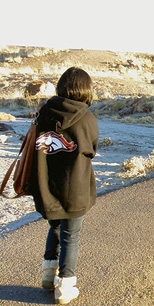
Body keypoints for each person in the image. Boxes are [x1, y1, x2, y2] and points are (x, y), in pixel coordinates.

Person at [29, 67, 99, 304]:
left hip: (46, 183)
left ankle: (49, 274)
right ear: (85, 90)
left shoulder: (45, 112)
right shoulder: (87, 118)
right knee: (71, 235)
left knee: (55, 226)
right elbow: (91, 149)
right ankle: (65, 286)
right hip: (75, 188)